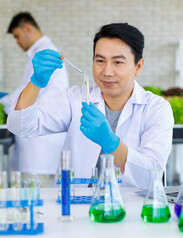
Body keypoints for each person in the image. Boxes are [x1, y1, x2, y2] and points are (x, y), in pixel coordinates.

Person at [7, 23, 174, 189]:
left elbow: (152, 176)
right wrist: (36, 82)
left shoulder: (156, 109)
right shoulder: (76, 98)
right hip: (74, 207)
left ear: (138, 66)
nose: (107, 72)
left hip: (132, 210)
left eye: (118, 62)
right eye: (100, 60)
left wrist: (111, 143)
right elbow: (21, 125)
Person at [0, 12, 69, 186]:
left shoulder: (44, 54)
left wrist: (4, 101)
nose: (17, 42)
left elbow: (27, 92)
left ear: (28, 28)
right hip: (36, 142)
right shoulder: (39, 52)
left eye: (17, 36)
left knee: (38, 201)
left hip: (40, 144)